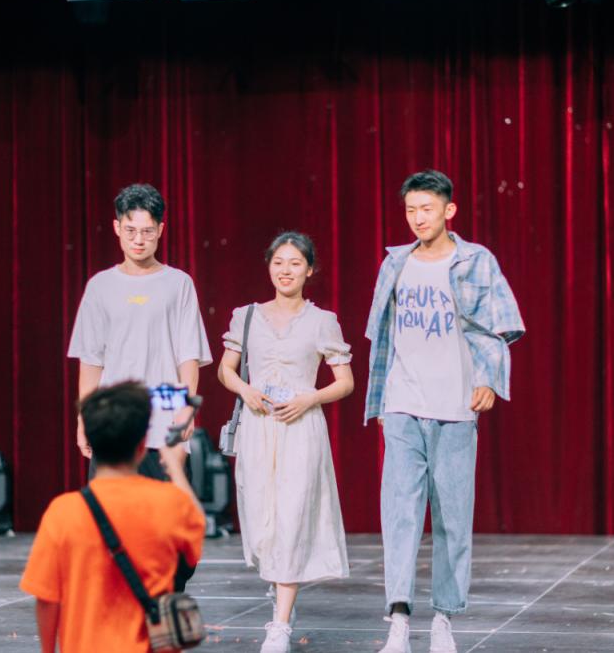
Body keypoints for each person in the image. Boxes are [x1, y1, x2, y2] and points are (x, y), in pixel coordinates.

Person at [364, 170, 525, 653]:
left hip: (455, 406)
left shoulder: (475, 260)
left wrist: (488, 378)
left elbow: (499, 325)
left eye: (426, 209)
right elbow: (381, 337)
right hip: (402, 405)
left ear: (448, 210)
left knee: (453, 518)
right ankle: (398, 620)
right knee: (400, 515)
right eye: (410, 210)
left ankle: (443, 619)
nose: (418, 218)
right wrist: (381, 399)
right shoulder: (395, 263)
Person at [217, 231, 355, 653]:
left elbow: (345, 382)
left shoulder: (322, 321)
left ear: (309, 270)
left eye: (295, 263)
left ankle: (279, 625)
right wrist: (245, 390)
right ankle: (280, 592)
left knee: (293, 517)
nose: (285, 270)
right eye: (279, 262)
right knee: (263, 522)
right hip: (258, 430)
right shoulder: (246, 316)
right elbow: (225, 369)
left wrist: (309, 398)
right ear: (269, 266)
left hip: (300, 429)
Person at [20, 381, 206, 653]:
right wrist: (175, 467)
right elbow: (196, 532)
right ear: (142, 445)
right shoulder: (168, 503)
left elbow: (47, 599)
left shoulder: (63, 512)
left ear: (90, 442)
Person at [68, 183, 212, 479]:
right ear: (116, 228)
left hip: (164, 425)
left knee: (164, 507)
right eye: (130, 230)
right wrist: (84, 419)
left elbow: (188, 356)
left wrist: (186, 410)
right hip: (112, 423)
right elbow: (91, 362)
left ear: (160, 230)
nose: (138, 240)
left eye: (147, 231)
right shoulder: (100, 286)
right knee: (109, 507)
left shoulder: (179, 283)